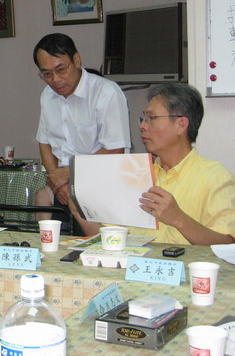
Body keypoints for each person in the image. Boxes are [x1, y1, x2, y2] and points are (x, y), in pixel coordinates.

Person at [73, 83, 235, 245]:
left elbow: (228, 245)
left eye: (152, 118)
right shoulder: (134, 173)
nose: (142, 126)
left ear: (181, 125)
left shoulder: (215, 176)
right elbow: (112, 241)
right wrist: (80, 211)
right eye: (144, 119)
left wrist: (178, 219)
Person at [33, 33, 131, 233]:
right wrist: (57, 181)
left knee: (95, 247)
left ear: (76, 60)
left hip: (103, 185)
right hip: (64, 186)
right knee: (55, 239)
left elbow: (115, 151)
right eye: (47, 74)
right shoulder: (48, 96)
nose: (55, 80)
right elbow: (44, 143)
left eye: (61, 70)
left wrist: (68, 173)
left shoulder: (106, 92)